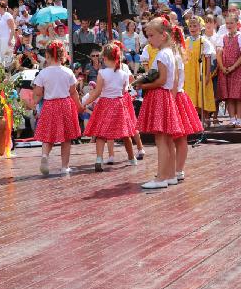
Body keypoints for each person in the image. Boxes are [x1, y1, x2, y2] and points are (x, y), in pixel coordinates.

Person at [135, 17, 184, 189]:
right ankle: (170, 175)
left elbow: (162, 80)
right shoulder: (169, 52)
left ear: (163, 35)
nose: (149, 39)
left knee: (161, 140)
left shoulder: (163, 54)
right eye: (147, 36)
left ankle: (161, 177)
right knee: (167, 139)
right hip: (165, 97)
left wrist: (143, 84)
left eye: (151, 35)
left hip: (160, 96)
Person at [81, 42, 138, 171]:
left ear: (105, 58)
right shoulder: (123, 74)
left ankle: (99, 159)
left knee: (101, 133)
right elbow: (124, 91)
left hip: (105, 104)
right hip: (118, 103)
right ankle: (131, 158)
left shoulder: (102, 73)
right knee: (125, 133)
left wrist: (85, 102)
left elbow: (97, 92)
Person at [30, 41, 81, 175]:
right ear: (62, 55)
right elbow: (73, 92)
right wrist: (79, 106)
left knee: (48, 135)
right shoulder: (68, 72)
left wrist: (32, 103)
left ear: (47, 55)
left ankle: (45, 156)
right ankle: (65, 166)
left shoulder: (43, 74)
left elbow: (38, 93)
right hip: (65, 105)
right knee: (67, 138)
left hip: (49, 105)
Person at [171, 25, 202, 182]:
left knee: (180, 137)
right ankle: (173, 169)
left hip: (175, 97)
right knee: (174, 137)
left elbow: (175, 82)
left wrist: (170, 99)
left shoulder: (175, 57)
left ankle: (178, 169)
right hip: (176, 96)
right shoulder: (175, 55)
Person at [216, 14, 241, 127]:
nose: (229, 25)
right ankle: (232, 119)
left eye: (231, 23)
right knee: (229, 96)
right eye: (227, 23)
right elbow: (219, 53)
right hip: (225, 69)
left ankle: (239, 119)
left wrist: (233, 67)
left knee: (238, 96)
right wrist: (222, 67)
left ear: (237, 24)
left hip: (237, 69)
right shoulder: (223, 37)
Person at [183, 16, 216, 124]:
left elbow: (208, 58)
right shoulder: (186, 41)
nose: (192, 28)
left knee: (202, 93)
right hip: (189, 73)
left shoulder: (203, 41)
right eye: (190, 26)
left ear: (200, 27)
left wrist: (207, 75)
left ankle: (205, 118)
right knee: (192, 94)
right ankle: (194, 119)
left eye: (195, 26)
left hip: (200, 72)